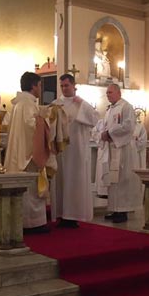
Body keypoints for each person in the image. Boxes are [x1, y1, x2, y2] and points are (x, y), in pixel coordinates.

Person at [50, 73, 99, 228]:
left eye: (67, 85)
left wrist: (82, 104)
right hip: (60, 151)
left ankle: (73, 215)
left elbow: (95, 119)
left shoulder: (81, 104)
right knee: (61, 180)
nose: (64, 88)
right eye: (62, 86)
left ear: (73, 86)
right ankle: (61, 213)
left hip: (77, 149)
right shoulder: (56, 104)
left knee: (75, 180)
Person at [4, 71, 49, 233]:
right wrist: (45, 119)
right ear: (33, 86)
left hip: (18, 151)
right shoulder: (28, 104)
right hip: (28, 154)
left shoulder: (18, 104)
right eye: (39, 85)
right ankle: (32, 224)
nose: (40, 89)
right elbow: (32, 126)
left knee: (26, 190)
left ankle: (23, 222)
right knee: (31, 190)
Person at [101, 83, 141, 223]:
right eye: (107, 93)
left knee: (122, 179)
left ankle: (123, 211)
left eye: (110, 92)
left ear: (119, 93)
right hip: (113, 147)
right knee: (113, 179)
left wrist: (109, 133)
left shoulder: (126, 107)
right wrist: (104, 134)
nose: (108, 95)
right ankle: (114, 208)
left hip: (123, 148)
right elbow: (105, 126)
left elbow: (128, 126)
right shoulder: (110, 110)